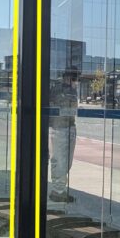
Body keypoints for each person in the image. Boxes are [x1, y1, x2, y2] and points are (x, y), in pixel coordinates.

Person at [48, 67, 79, 202]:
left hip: (70, 126)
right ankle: (58, 191)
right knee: (60, 160)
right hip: (60, 127)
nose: (76, 82)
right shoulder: (58, 89)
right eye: (75, 78)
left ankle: (60, 188)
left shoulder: (72, 90)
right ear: (68, 77)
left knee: (67, 162)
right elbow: (55, 107)